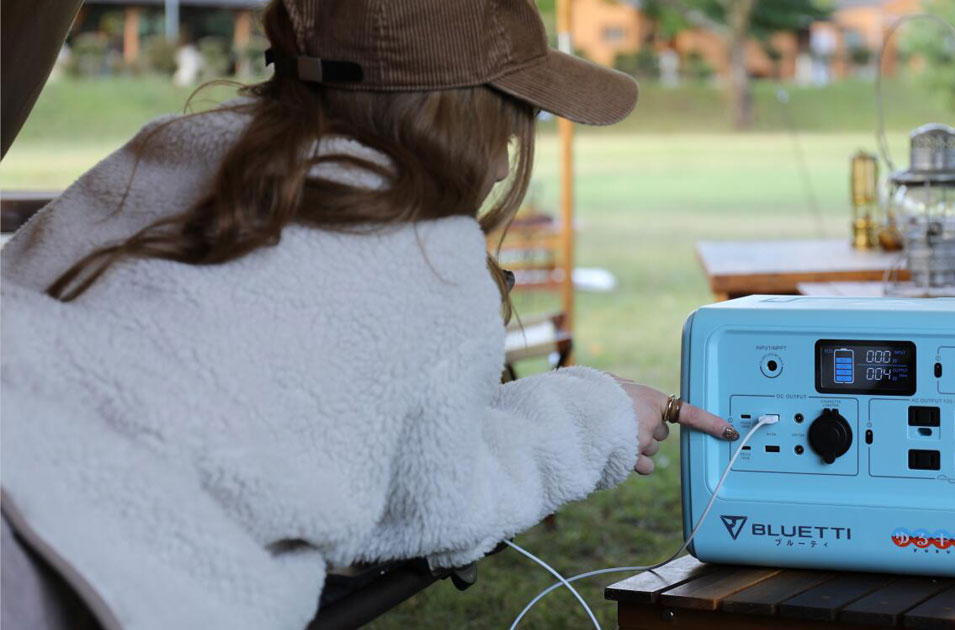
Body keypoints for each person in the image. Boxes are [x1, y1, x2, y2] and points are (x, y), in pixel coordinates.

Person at [0, 1, 738, 628]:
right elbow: (435, 502)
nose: (515, 147)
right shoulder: (426, 256)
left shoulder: (168, 147)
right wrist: (599, 416)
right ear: (472, 116)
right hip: (64, 570)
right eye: (516, 112)